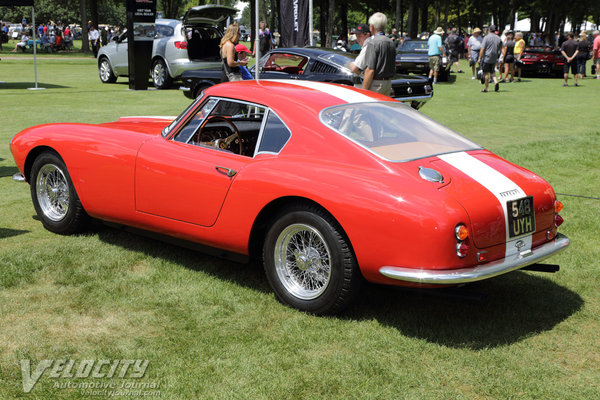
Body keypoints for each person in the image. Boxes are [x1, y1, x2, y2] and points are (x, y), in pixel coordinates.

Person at [360, 12, 396, 94]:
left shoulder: (373, 43)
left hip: (376, 84)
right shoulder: (390, 42)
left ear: (372, 27)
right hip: (388, 83)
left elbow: (370, 70)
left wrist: (364, 90)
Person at [477, 24, 502, 92]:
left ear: (489, 30)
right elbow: (501, 47)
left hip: (487, 57)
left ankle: (486, 88)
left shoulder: (486, 37)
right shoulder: (498, 38)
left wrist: (479, 57)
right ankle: (496, 82)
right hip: (494, 57)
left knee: (486, 73)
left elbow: (482, 48)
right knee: (492, 71)